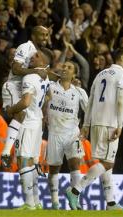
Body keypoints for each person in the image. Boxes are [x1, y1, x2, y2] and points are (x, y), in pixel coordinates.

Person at [65, 49, 123, 210]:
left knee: (105, 162)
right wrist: (120, 124)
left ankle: (110, 203)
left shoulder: (100, 74)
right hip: (110, 122)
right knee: (108, 162)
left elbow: (90, 102)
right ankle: (75, 190)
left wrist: (86, 124)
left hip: (96, 122)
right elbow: (120, 100)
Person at [5, 50, 50, 210]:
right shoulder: (45, 78)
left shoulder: (30, 77)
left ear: (44, 60)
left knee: (23, 160)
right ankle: (36, 202)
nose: (32, 57)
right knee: (31, 162)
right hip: (37, 123)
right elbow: (48, 98)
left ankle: (29, 203)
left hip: (27, 122)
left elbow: (25, 102)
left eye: (37, 56)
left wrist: (10, 110)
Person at [1, 26, 50, 168]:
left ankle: (35, 162)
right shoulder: (25, 47)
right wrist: (34, 71)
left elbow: (44, 73)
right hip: (14, 86)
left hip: (28, 90)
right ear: (34, 35)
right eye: (42, 35)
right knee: (21, 112)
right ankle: (5, 152)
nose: (45, 38)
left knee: (37, 119)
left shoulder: (40, 54)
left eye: (47, 35)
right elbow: (15, 69)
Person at [46, 61, 88, 210]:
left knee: (75, 164)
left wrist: (85, 128)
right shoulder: (50, 86)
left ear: (74, 74)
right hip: (55, 132)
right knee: (54, 169)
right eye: (63, 66)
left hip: (72, 133)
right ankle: (55, 202)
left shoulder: (79, 92)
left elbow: (88, 111)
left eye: (69, 67)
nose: (65, 68)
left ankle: (76, 201)